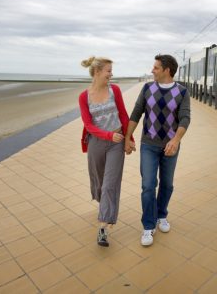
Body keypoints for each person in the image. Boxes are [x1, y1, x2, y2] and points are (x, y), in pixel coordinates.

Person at [125, 54, 190, 246]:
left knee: (167, 184)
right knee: (148, 185)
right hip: (149, 145)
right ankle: (148, 225)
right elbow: (137, 112)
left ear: (166, 70)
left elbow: (185, 118)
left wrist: (176, 140)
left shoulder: (182, 92)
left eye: (155, 67)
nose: (152, 70)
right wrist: (128, 137)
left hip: (170, 146)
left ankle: (162, 215)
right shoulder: (148, 88)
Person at [79, 56, 132, 247]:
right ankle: (104, 207)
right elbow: (88, 125)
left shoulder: (115, 90)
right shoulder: (84, 97)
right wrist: (108, 135)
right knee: (100, 183)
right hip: (96, 144)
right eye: (109, 70)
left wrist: (128, 139)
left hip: (116, 143)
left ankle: (103, 227)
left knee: (110, 184)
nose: (112, 74)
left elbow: (124, 115)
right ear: (98, 72)